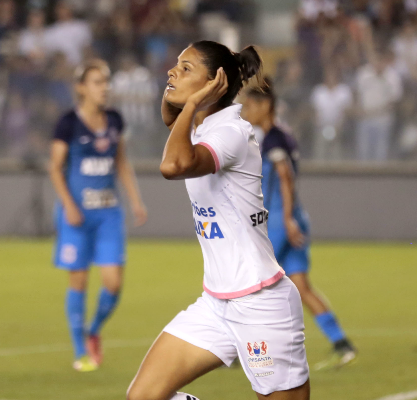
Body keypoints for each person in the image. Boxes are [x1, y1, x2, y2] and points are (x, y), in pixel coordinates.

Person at [126, 42, 310, 400]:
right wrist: (186, 97)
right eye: (175, 65)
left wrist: (192, 101)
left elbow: (172, 166)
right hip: (216, 303)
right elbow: (169, 118)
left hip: (260, 302)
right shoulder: (201, 125)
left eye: (186, 67)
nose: (172, 72)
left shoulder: (231, 133)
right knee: (143, 397)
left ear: (216, 83)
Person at [243, 79, 358, 371]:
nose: (245, 111)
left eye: (249, 106)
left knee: (253, 284)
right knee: (301, 286)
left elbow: (285, 178)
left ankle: (249, 350)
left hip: (283, 221)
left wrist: (287, 218)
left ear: (265, 105)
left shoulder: (272, 139)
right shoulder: (284, 134)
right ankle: (341, 342)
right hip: (296, 218)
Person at [48, 59, 147, 372]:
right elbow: (55, 167)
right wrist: (69, 205)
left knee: (114, 283)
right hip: (76, 216)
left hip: (108, 214)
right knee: (78, 280)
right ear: (81, 88)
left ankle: (93, 331)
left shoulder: (115, 120)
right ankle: (80, 351)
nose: (104, 88)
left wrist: (135, 201)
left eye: (106, 82)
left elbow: (120, 162)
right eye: (97, 82)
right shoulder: (68, 123)